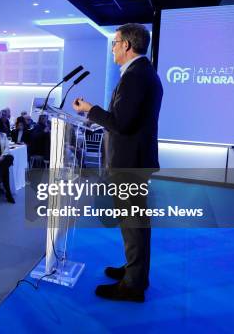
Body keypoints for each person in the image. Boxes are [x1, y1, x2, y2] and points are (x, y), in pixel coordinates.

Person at [73, 23, 162, 303]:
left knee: (133, 223)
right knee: (133, 222)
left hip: (129, 163)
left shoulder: (135, 76)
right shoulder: (143, 73)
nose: (112, 48)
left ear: (126, 45)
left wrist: (90, 110)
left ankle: (133, 285)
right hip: (134, 160)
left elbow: (121, 123)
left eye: (114, 42)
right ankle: (134, 272)